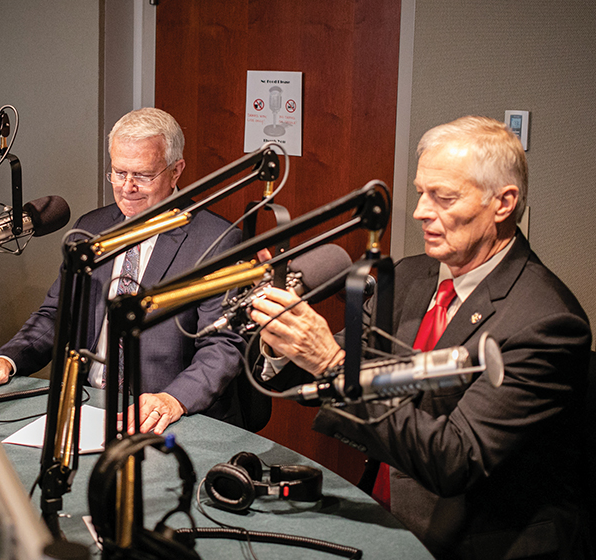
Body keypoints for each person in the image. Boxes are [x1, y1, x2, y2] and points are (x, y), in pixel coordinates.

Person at [250, 116, 592, 558]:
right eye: (420, 193)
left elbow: (455, 458)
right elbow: (320, 377)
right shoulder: (411, 276)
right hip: (387, 510)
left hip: (481, 540)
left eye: (443, 197)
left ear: (503, 203)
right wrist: (281, 337)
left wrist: (333, 364)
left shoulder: (546, 322)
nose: (419, 212)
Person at [0, 108, 244, 433]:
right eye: (118, 172)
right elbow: (57, 316)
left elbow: (222, 345)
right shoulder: (92, 229)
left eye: (143, 175)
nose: (127, 187)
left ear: (176, 170)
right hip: (88, 407)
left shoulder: (215, 240)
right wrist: (7, 360)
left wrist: (173, 400)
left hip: (166, 419)